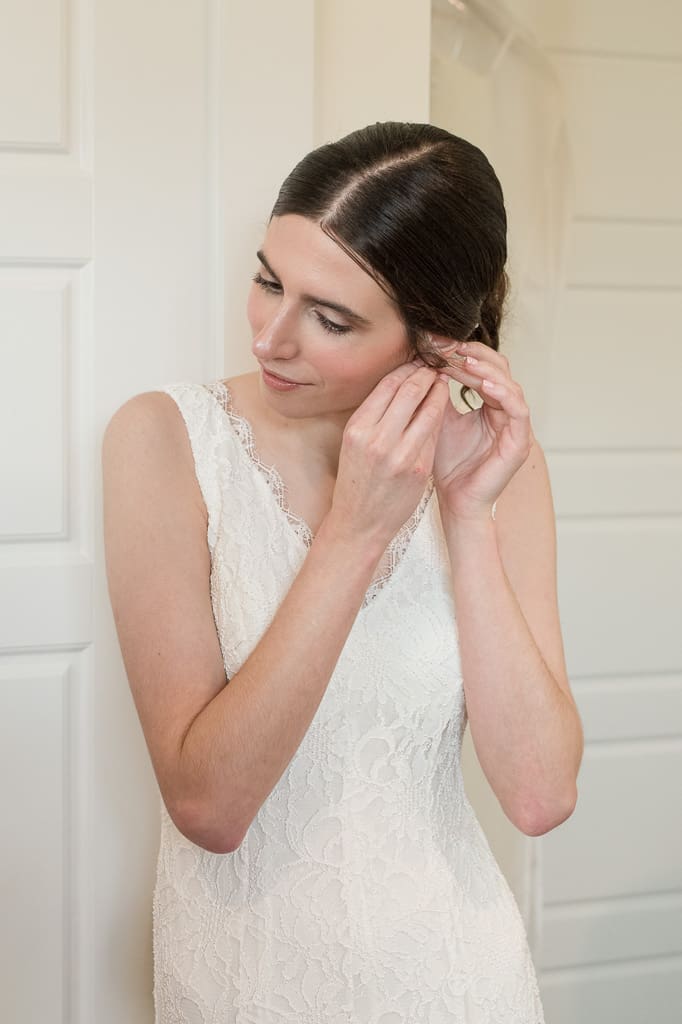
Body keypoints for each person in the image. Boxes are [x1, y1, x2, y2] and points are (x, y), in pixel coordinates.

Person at [102, 121, 583, 1023]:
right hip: (243, 983)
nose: (271, 339)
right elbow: (209, 804)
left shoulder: (498, 467)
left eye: (330, 318)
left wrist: (469, 514)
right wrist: (353, 535)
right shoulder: (164, 441)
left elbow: (538, 793)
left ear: (434, 338)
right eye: (267, 282)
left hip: (453, 976)